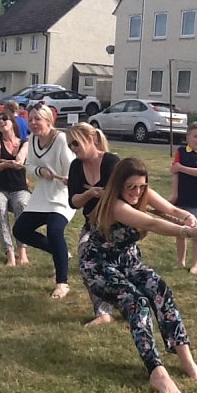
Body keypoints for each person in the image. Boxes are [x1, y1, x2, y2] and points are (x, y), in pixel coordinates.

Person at [79, 157, 197, 393]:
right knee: (136, 302)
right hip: (98, 264)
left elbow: (171, 210)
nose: (137, 192)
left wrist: (187, 216)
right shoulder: (115, 206)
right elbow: (152, 223)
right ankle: (156, 372)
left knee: (160, 289)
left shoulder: (143, 193)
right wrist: (187, 231)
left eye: (141, 186)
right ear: (118, 185)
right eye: (131, 187)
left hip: (127, 260)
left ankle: (186, 360)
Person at [12, 104, 75, 298]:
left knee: (54, 231)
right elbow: (29, 165)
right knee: (20, 230)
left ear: (48, 121)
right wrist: (40, 171)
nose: (33, 123)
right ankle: (61, 253)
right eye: (30, 119)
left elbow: (73, 166)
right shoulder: (32, 139)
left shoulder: (61, 139)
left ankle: (62, 283)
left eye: (37, 119)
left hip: (62, 196)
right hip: (41, 195)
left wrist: (68, 178)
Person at [66, 122, 120, 325]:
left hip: (118, 226)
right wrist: (90, 193)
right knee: (86, 260)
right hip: (92, 225)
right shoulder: (75, 166)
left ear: (90, 139)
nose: (73, 148)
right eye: (70, 145)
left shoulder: (111, 162)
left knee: (121, 268)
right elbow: (74, 201)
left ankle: (130, 304)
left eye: (75, 143)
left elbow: (122, 196)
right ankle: (103, 313)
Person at [0, 111, 30, 266]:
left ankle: (22, 252)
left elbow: (20, 159)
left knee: (22, 205)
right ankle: (10, 253)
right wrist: (5, 164)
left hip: (19, 187)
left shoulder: (24, 142)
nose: (1, 122)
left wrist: (17, 161)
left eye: (5, 119)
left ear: (13, 122)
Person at [170, 122, 197, 275]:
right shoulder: (180, 151)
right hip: (181, 200)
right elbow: (174, 173)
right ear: (188, 138)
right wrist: (174, 195)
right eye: (196, 136)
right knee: (180, 232)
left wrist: (181, 167)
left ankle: (195, 265)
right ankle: (181, 261)